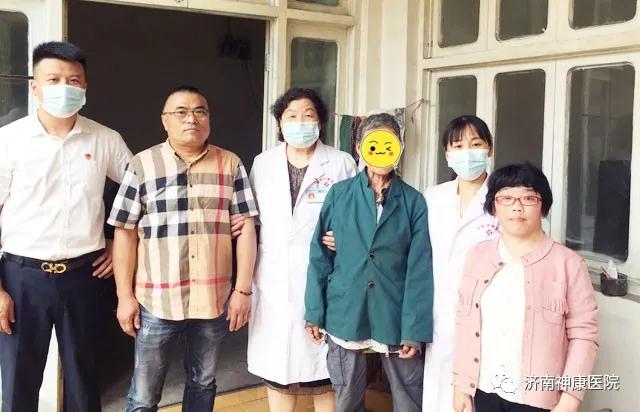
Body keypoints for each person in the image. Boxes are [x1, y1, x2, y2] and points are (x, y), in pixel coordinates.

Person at [108, 85, 258, 411]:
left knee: (203, 384)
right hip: (156, 300)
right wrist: (124, 296)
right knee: (143, 395)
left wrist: (242, 290)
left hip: (212, 299)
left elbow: (246, 228)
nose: (192, 119)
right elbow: (125, 232)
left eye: (200, 111)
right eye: (181, 112)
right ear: (165, 120)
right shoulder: (142, 165)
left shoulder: (230, 164)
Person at [0, 41, 132, 412]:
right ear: (34, 87)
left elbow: (137, 192)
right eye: (54, 79)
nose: (64, 87)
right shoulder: (9, 140)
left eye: (74, 80)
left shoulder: (105, 139)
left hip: (84, 276)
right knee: (19, 383)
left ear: (85, 87)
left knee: (84, 379)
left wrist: (114, 241)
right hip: (21, 277)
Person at [305, 113, 433, 412]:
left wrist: (414, 329)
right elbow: (319, 256)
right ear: (360, 148)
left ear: (399, 148)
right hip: (346, 310)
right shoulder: (340, 194)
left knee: (408, 399)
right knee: (347, 398)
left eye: (390, 143)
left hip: (395, 313)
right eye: (374, 144)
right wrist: (314, 311)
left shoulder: (414, 201)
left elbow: (419, 270)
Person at [452, 163, 599, 412]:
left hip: (539, 398)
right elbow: (463, 321)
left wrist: (570, 398)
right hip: (483, 389)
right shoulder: (477, 256)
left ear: (543, 205)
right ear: (493, 206)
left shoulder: (568, 263)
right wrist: (461, 384)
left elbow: (584, 336)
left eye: (529, 198)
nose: (517, 207)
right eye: (506, 198)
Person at [247, 88, 357, 411]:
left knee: (323, 371)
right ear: (280, 123)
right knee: (277, 369)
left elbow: (357, 217)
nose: (300, 122)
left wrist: (345, 237)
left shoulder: (341, 163)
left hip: (325, 276)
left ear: (320, 121)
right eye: (292, 116)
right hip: (272, 278)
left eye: (308, 115)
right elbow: (251, 218)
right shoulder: (263, 164)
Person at [422, 115, 500, 411]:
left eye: (476, 144)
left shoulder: (503, 198)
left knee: (479, 398)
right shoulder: (434, 197)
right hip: (440, 315)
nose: (467, 152)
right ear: (447, 154)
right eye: (457, 146)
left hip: (487, 317)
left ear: (489, 149)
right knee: (439, 396)